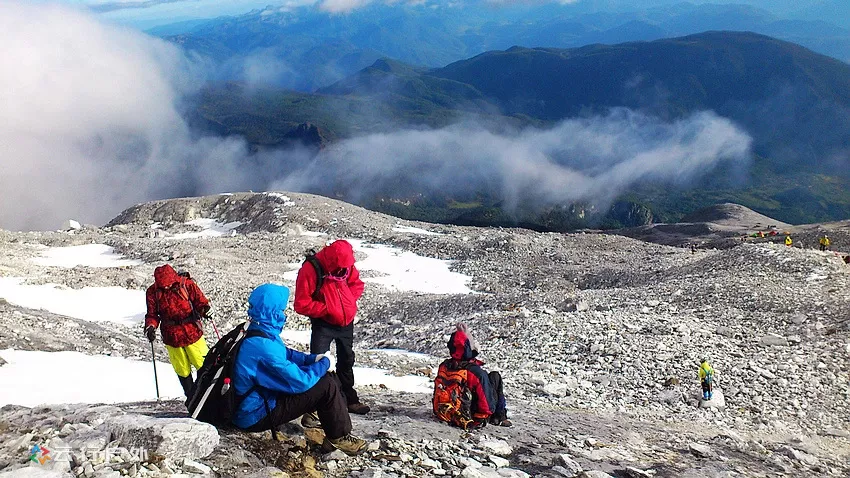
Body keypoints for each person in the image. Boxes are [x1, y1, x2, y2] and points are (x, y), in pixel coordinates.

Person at [231, 284, 367, 455]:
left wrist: (313, 359)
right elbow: (300, 382)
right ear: (272, 311)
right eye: (281, 309)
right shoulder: (263, 346)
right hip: (254, 415)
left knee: (326, 376)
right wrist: (324, 363)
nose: (284, 313)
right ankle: (339, 437)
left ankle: (321, 419)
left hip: (257, 402)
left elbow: (286, 354)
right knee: (326, 385)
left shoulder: (257, 331)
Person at [294, 240, 370, 416]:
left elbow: (356, 284)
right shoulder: (311, 269)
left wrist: (347, 303)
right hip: (324, 323)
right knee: (319, 362)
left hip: (345, 322)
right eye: (341, 265)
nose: (344, 269)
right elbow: (301, 303)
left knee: (346, 359)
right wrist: (328, 309)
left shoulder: (346, 265)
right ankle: (315, 404)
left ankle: (350, 400)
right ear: (333, 259)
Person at [144, 264, 210, 396]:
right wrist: (150, 326)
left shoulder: (187, 285)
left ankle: (207, 394)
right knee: (182, 370)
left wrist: (205, 310)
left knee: (204, 365)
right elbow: (152, 314)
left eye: (168, 284)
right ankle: (191, 397)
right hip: (172, 337)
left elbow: (201, 302)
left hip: (191, 332)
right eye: (163, 286)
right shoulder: (152, 292)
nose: (167, 287)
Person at [434, 324, 511, 428]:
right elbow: (488, 406)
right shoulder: (475, 372)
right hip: (471, 418)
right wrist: (483, 416)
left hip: (446, 413)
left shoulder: (444, 366)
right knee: (495, 376)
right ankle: (500, 417)